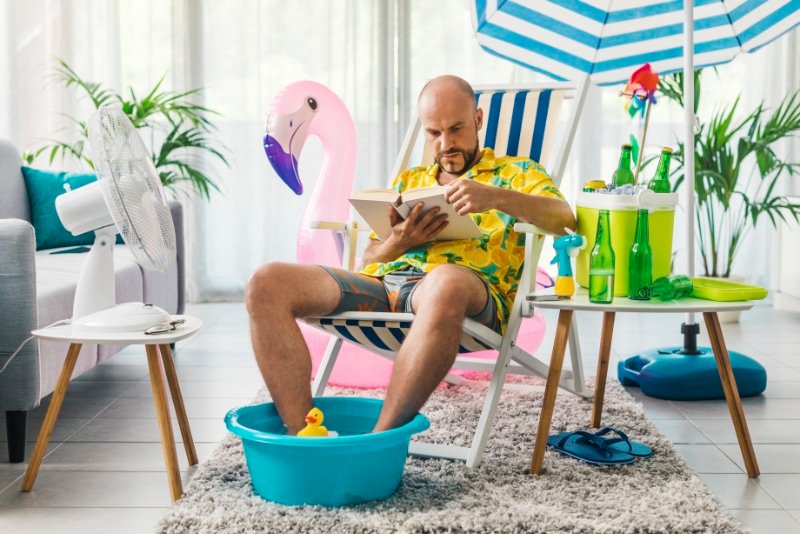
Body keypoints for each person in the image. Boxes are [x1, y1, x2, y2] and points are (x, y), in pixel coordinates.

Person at [246, 75, 575, 435]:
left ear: (478, 120)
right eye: (434, 133)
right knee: (266, 282)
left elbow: (565, 219)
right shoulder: (411, 181)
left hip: (464, 294)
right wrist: (398, 242)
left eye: (456, 129)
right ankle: (303, 435)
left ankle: (379, 440)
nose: (446, 144)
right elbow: (368, 262)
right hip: (387, 288)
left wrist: (494, 197)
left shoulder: (518, 173)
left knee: (445, 280)